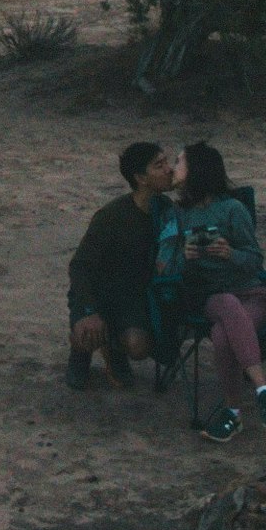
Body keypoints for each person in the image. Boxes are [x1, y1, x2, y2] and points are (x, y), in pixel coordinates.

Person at [170, 140, 266, 441]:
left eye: (179, 161)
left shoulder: (233, 209)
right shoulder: (179, 215)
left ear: (197, 170)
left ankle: (233, 414)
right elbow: (170, 269)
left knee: (222, 336)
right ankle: (264, 391)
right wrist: (185, 257)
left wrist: (230, 253)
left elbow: (255, 260)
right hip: (212, 296)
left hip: (251, 295)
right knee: (225, 303)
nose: (173, 167)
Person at [65, 141, 179, 388]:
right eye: (159, 165)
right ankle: (80, 350)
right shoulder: (112, 216)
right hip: (98, 292)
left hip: (130, 297)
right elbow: (80, 266)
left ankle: (113, 347)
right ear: (141, 178)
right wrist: (88, 310)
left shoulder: (166, 210)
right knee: (88, 331)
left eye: (167, 163)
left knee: (139, 346)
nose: (169, 170)